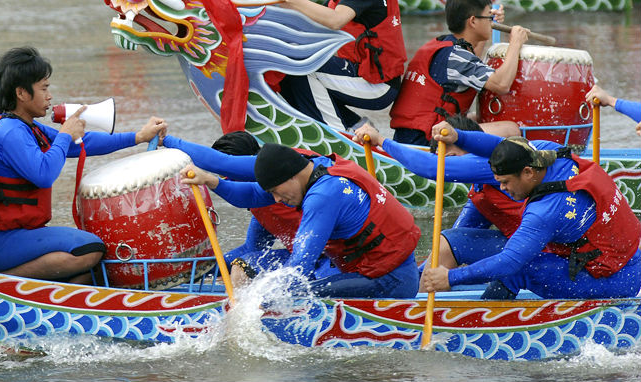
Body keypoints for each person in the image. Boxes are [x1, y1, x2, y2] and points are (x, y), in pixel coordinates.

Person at [0, 46, 167, 284]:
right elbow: (44, 174)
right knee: (91, 249)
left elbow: (80, 144)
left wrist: (137, 137)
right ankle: (0, 281)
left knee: (96, 271)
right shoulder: (10, 132)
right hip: (3, 242)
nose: (49, 96)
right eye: (44, 88)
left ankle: (59, 300)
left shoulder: (25, 126)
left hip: (17, 236)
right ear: (22, 93)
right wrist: (65, 134)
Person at [421, 130, 641, 299]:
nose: (504, 189)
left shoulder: (544, 213)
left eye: (505, 182)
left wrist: (451, 278)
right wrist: (459, 136)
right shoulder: (547, 153)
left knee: (516, 270)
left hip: (618, 278)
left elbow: (509, 262)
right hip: (610, 256)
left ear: (527, 173)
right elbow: (500, 145)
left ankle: (483, 326)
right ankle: (416, 296)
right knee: (456, 239)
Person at [180, 143, 420, 298]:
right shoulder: (310, 163)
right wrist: (211, 181)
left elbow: (299, 267)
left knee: (293, 291)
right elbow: (251, 194)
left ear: (292, 176)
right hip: (369, 269)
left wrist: (258, 299)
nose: (275, 199)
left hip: (390, 282)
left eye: (276, 190)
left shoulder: (322, 196)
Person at [261, 0, 407, 131]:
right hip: (367, 76)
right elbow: (313, 18)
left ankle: (339, 136)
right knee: (288, 68)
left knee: (304, 67)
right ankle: (355, 125)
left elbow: (335, 19)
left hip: (377, 85)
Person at [356, 115, 523, 271]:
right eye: (443, 154)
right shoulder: (479, 190)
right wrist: (416, 275)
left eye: (450, 152)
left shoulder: (492, 163)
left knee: (454, 242)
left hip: (535, 251)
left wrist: (381, 140)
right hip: (520, 249)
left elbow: (432, 167)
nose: (448, 159)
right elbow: (460, 233)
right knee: (451, 241)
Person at [162, 132, 338, 278]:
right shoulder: (266, 201)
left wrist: (167, 140)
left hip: (326, 263)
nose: (227, 181)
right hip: (305, 261)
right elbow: (252, 247)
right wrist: (197, 271)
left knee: (243, 266)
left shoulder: (284, 197)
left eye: (227, 176)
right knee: (245, 261)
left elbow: (221, 162)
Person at [388, 0, 526, 145]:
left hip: (410, 136)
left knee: (480, 116)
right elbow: (501, 84)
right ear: (473, 21)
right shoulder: (457, 57)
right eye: (489, 17)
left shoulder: (443, 45)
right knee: (511, 129)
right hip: (427, 141)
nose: (491, 21)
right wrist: (516, 43)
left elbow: (474, 59)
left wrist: (488, 20)